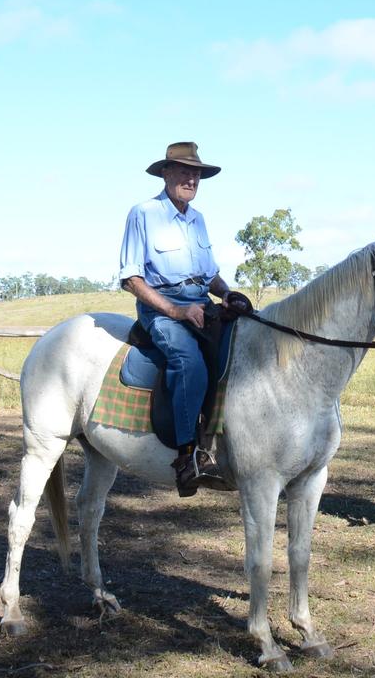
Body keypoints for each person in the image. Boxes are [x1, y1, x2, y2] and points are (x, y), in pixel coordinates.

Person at [119, 142, 251, 497]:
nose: (192, 178)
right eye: (184, 171)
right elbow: (132, 279)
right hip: (162, 310)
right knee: (188, 361)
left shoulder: (198, 219)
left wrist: (226, 294)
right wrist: (177, 311)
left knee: (244, 348)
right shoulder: (143, 214)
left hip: (200, 304)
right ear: (166, 173)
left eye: (197, 173)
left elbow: (209, 277)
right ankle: (187, 457)